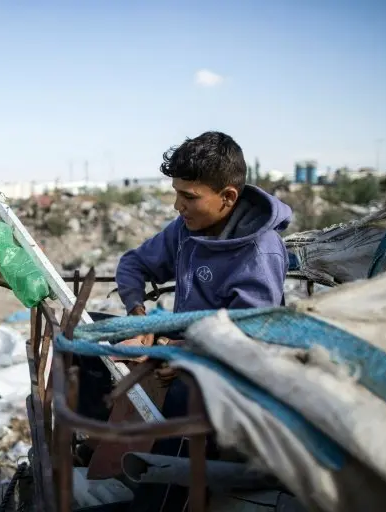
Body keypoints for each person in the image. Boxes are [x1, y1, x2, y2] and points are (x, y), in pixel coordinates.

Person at [113, 131, 292, 510]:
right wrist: (138, 318)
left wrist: (186, 352)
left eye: (189, 197)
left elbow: (250, 335)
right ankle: (108, 456)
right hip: (182, 353)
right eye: (176, 193)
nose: (178, 206)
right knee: (98, 360)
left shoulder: (260, 253)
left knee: (186, 398)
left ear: (227, 197)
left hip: (232, 374)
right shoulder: (186, 230)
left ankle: (160, 499)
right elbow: (133, 263)